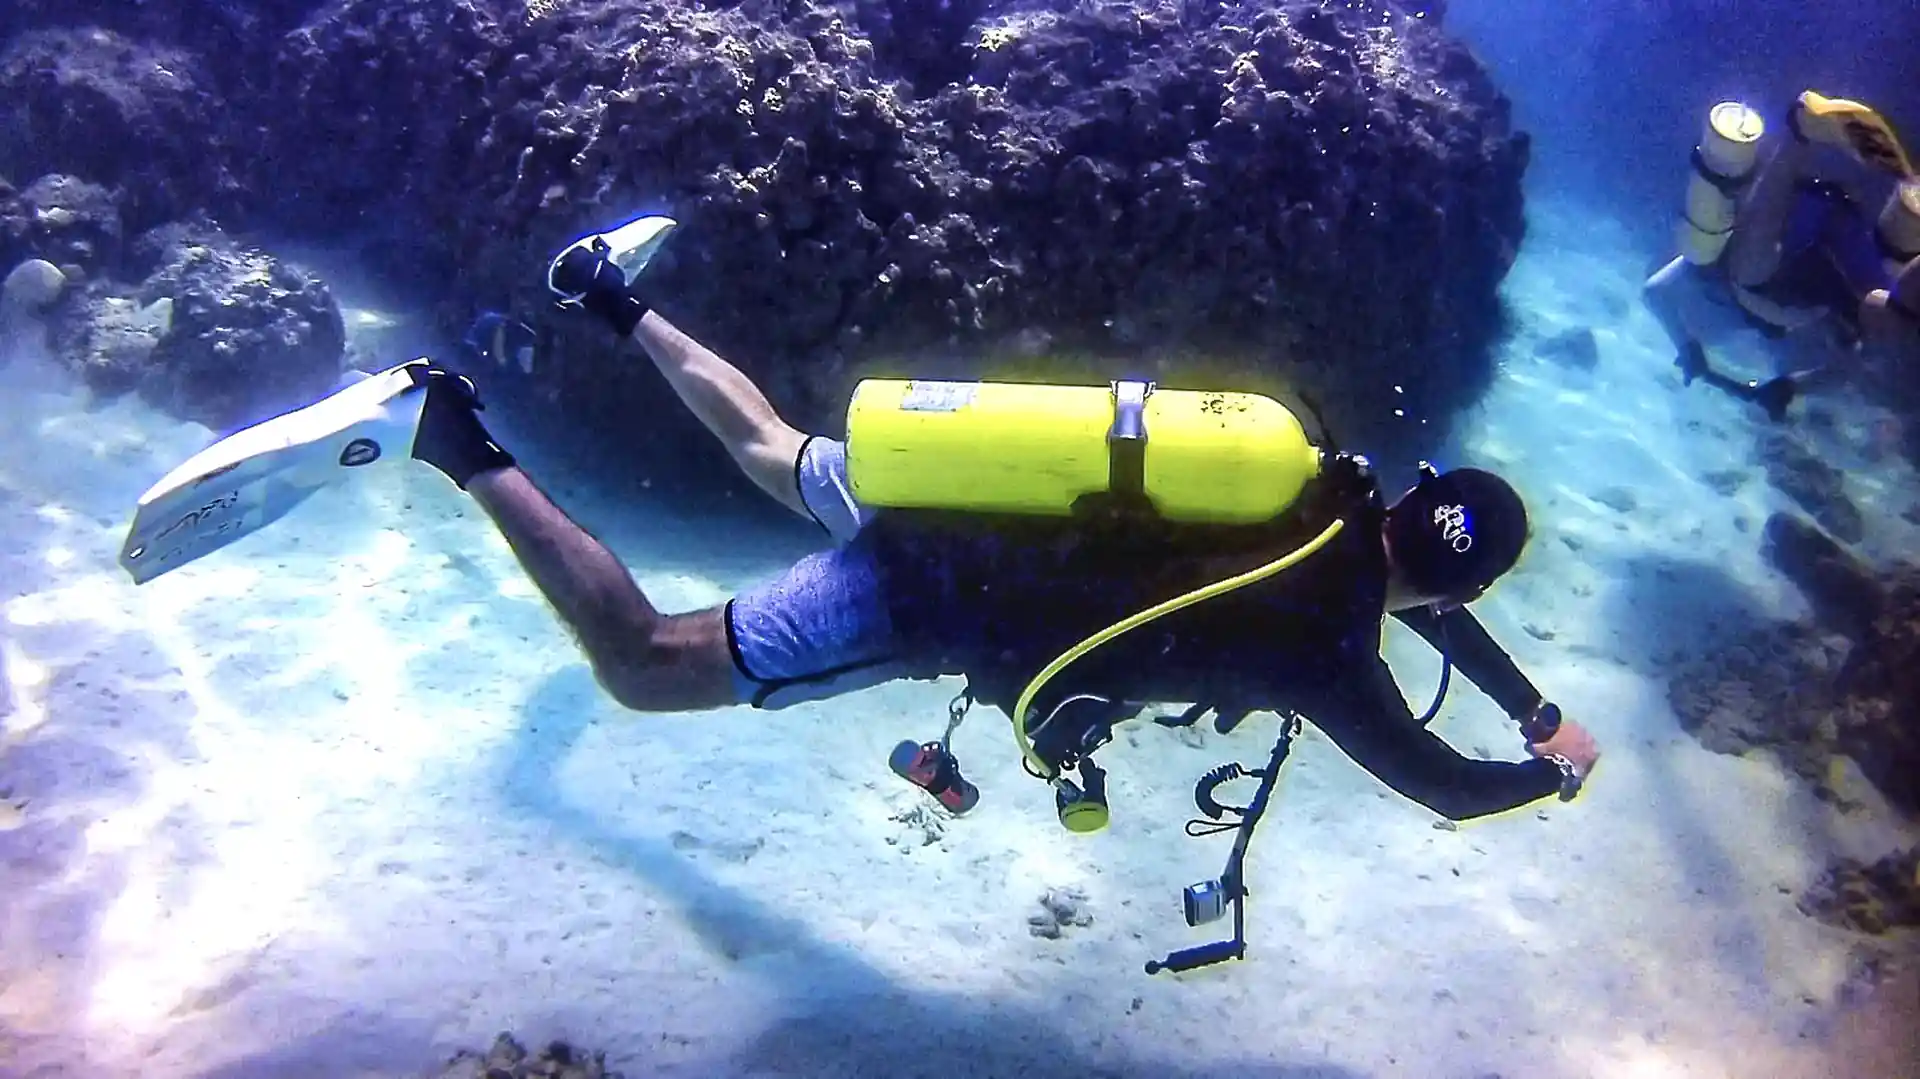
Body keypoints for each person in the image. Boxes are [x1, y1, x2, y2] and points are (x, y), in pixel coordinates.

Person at [120, 217, 1601, 831]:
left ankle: (606, 292)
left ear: (1416, 497)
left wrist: (1530, 700)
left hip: (961, 480)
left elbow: (1422, 593)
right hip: (925, 593)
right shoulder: (1333, 649)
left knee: (770, 448)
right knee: (646, 662)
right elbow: (1444, 784)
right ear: (1440, 580)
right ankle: (441, 428)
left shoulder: (1317, 481)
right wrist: (1549, 774)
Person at [1643, 91, 1920, 422]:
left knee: (1749, 273)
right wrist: (1789, 387)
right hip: (1829, 235)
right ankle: (1799, 138)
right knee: (1880, 308)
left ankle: (1798, 135)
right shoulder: (1712, 265)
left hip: (1808, 227)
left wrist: (1687, 348)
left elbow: (1653, 291)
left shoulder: (1707, 266)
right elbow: (1849, 370)